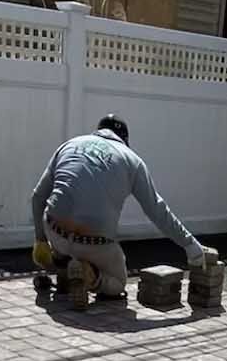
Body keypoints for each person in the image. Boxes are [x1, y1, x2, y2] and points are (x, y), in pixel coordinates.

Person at [31, 114, 211, 298]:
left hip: (55, 231)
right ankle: (89, 275)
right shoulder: (132, 160)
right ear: (124, 139)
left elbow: (38, 196)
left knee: (61, 238)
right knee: (117, 283)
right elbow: (157, 210)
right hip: (94, 244)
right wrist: (191, 246)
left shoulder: (70, 145)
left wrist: (40, 240)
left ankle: (62, 265)